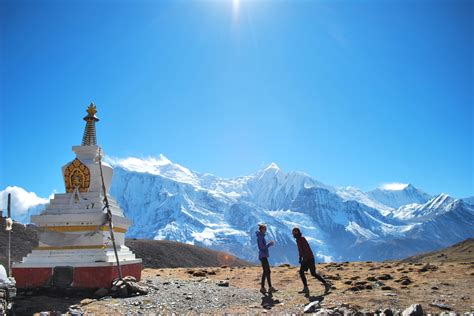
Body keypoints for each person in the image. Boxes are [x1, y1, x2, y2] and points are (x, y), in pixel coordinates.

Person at [292, 227, 330, 296]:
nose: (294, 233)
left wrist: (305, 259)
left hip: (309, 258)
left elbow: (306, 249)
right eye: (293, 232)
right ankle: (306, 288)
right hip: (307, 259)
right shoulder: (298, 240)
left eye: (295, 232)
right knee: (304, 272)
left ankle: (325, 284)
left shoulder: (302, 239)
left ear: (298, 232)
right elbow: (300, 250)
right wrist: (300, 257)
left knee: (312, 273)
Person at [256, 223, 277, 295]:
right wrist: (269, 244)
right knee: (267, 271)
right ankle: (266, 287)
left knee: (266, 271)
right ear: (261, 229)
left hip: (263, 256)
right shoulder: (260, 237)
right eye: (264, 229)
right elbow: (262, 247)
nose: (266, 230)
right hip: (263, 256)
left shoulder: (261, 236)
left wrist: (268, 244)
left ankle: (265, 287)